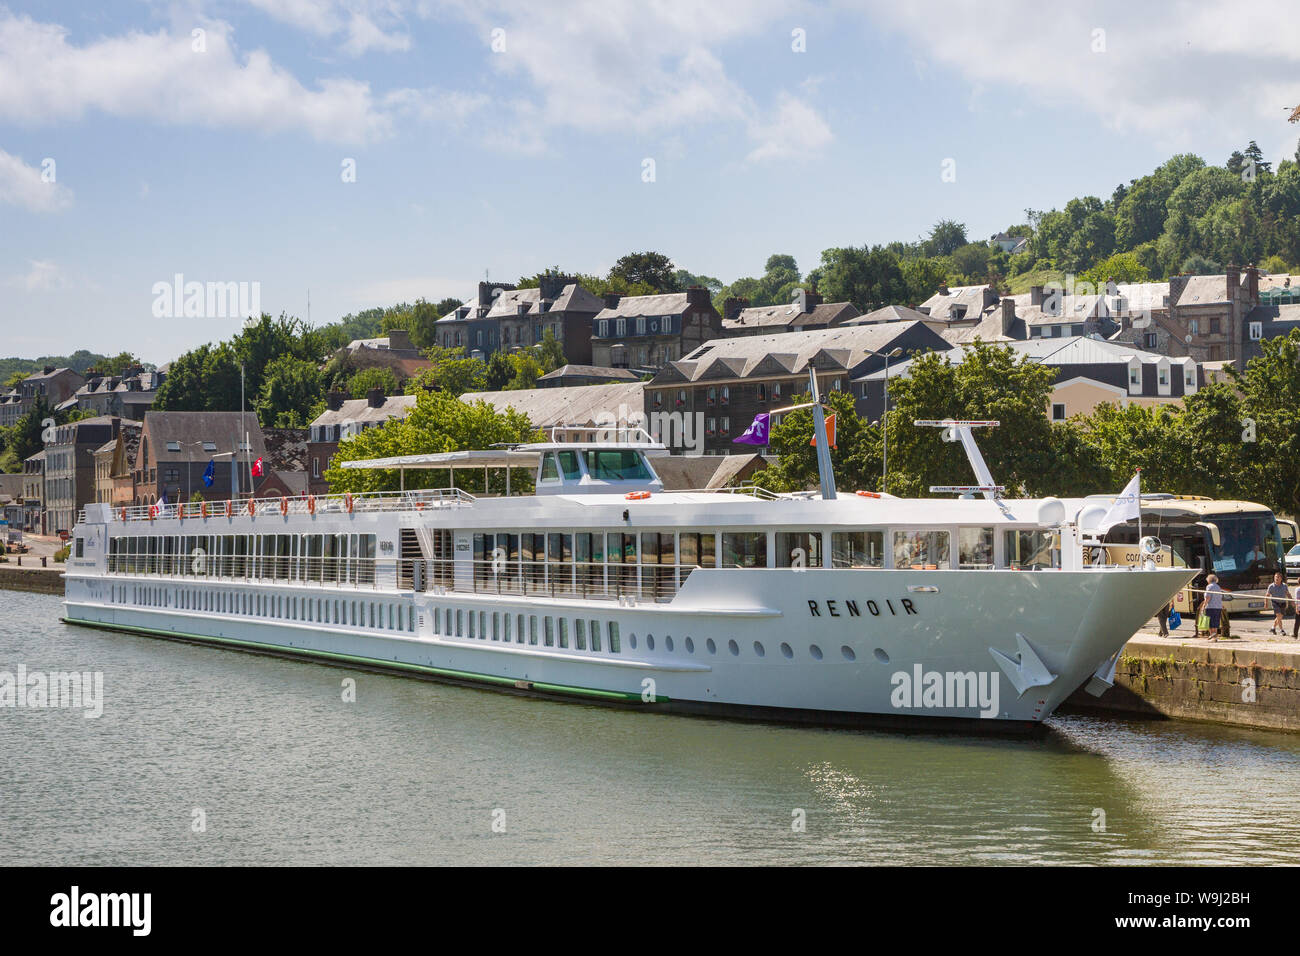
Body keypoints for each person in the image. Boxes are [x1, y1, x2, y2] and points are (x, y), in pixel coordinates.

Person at [1197, 573, 1227, 641]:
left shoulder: (1209, 586)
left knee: (1210, 622)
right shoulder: (1218, 587)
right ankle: (1214, 636)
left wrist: (1204, 605)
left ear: (1209, 580)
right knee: (1216, 621)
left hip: (1211, 606)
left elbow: (1208, 597)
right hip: (1218, 606)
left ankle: (1212, 636)